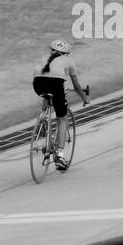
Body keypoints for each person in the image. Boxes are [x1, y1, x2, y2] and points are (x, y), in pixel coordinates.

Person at [32, 39, 89, 171]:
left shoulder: (44, 58)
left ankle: (43, 116)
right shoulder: (68, 61)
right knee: (62, 118)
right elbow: (76, 85)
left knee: (47, 94)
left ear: (51, 50)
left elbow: (45, 76)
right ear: (66, 54)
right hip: (56, 85)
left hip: (37, 84)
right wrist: (84, 98)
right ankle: (59, 155)